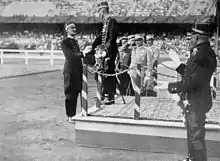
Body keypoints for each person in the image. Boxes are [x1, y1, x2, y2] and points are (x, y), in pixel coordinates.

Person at [156, 26, 217, 161]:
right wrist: (178, 64)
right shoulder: (200, 52)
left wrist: (170, 86)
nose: (189, 40)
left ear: (196, 37)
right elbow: (191, 75)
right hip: (194, 100)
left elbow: (193, 82)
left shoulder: (203, 54)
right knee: (191, 133)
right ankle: (192, 158)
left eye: (191, 37)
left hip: (198, 101)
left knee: (196, 136)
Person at [86, 2, 119, 105]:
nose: (99, 14)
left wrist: (105, 49)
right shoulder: (106, 22)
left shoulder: (112, 21)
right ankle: (103, 94)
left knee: (108, 73)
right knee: (100, 73)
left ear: (103, 11)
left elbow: (112, 37)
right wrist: (92, 46)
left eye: (99, 12)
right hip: (104, 51)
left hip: (110, 52)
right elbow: (100, 37)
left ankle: (110, 96)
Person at [61, 22, 84, 124]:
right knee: (70, 93)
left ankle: (74, 114)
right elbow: (70, 56)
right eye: (71, 28)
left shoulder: (75, 41)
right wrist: (83, 53)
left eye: (75, 27)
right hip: (70, 70)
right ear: (67, 29)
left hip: (78, 70)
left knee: (77, 91)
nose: (74, 29)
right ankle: (70, 115)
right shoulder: (65, 42)